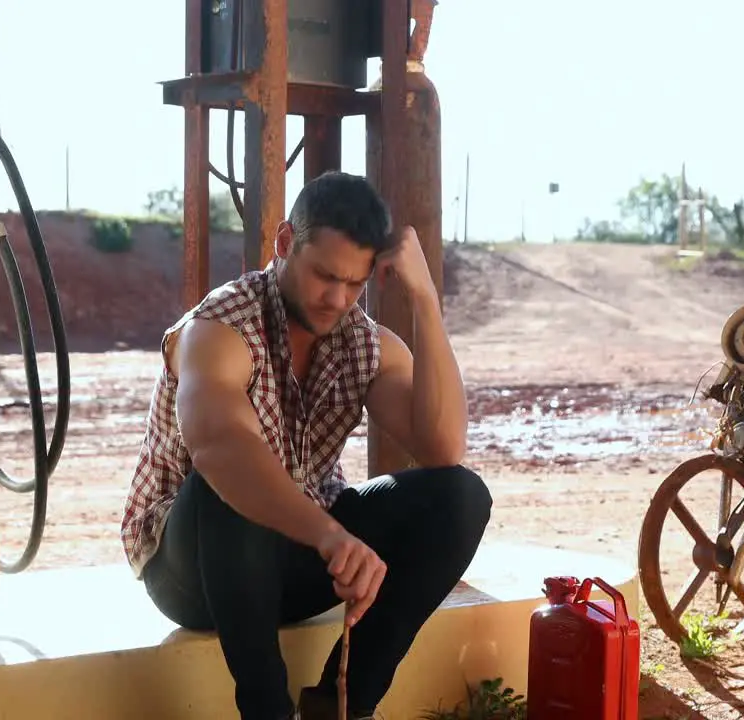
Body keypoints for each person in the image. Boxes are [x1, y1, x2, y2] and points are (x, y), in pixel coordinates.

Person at [119, 171, 493, 720]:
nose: (337, 298)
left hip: (295, 561)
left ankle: (341, 706)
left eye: (354, 284)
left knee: (460, 497)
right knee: (230, 484)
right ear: (286, 243)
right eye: (324, 276)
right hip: (195, 569)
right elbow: (220, 447)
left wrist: (425, 301)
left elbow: (442, 448)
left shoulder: (361, 341)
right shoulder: (220, 327)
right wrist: (329, 534)